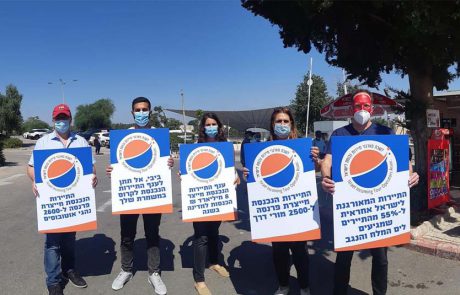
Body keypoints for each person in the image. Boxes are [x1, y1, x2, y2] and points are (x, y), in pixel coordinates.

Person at [320, 90, 420, 295]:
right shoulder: (340, 135)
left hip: (378, 210)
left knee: (381, 258)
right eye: (358, 106)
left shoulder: (386, 133)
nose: (362, 110)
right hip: (351, 208)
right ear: (351, 109)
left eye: (366, 106)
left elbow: (404, 162)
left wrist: (411, 175)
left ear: (372, 109)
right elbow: (327, 161)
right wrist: (325, 178)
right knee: (344, 256)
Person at [243, 107, 320, 295]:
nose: (282, 125)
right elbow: (256, 179)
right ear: (273, 125)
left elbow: (314, 171)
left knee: (300, 252)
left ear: (291, 125)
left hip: (297, 211)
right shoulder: (261, 150)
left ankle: (304, 287)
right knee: (279, 252)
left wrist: (316, 160)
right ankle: (283, 285)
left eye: (286, 121)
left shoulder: (303, 147)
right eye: (279, 121)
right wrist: (247, 174)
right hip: (276, 213)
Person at [27, 103, 98, 295]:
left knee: (69, 239)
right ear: (53, 121)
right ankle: (53, 281)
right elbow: (31, 168)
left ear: (70, 119)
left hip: (73, 201)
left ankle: (69, 270)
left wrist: (93, 177)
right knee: (52, 243)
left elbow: (90, 169)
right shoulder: (43, 142)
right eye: (58, 119)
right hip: (52, 200)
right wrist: (35, 181)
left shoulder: (81, 143)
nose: (61, 122)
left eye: (64, 118)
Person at [106, 97, 173, 294]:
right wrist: (113, 170)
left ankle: (154, 273)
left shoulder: (159, 136)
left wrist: (169, 163)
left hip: (152, 194)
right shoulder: (123, 136)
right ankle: (126, 269)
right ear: (132, 112)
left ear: (150, 112)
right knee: (127, 236)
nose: (142, 113)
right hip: (130, 194)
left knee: (152, 234)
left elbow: (164, 163)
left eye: (145, 109)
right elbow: (118, 164)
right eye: (138, 110)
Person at [191, 112, 240, 295]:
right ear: (203, 127)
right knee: (201, 236)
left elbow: (229, 169)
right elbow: (190, 170)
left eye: (214, 124)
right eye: (207, 124)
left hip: (217, 198)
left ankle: (213, 262)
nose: (211, 127)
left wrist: (235, 177)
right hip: (202, 199)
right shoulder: (197, 147)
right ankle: (199, 280)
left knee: (214, 232)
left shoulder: (225, 147)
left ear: (219, 127)